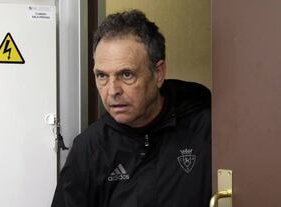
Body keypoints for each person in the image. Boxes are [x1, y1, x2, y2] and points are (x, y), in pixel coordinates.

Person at [51, 10, 211, 207]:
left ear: (158, 73)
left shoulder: (206, 128)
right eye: (102, 76)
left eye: (126, 75)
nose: (112, 91)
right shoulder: (89, 149)